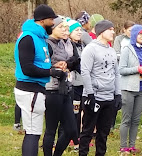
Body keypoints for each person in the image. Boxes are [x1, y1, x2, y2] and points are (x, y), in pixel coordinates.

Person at [13, 4, 64, 156]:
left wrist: (54, 66)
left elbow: (38, 62)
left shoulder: (40, 38)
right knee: (33, 133)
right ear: (43, 20)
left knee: (34, 132)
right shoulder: (28, 38)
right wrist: (52, 72)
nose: (53, 23)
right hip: (30, 90)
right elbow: (27, 68)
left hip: (37, 89)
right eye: (52, 20)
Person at [79, 20, 121, 156]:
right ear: (101, 32)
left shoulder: (111, 50)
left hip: (109, 97)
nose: (113, 32)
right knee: (87, 131)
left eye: (113, 29)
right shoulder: (90, 49)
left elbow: (116, 73)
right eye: (110, 29)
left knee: (103, 133)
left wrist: (118, 94)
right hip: (94, 96)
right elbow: (85, 72)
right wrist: (90, 94)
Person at [42, 16, 79, 156]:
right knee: (51, 129)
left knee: (70, 129)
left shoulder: (64, 43)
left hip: (66, 88)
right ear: (52, 28)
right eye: (61, 27)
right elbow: (41, 64)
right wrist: (54, 66)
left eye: (66, 27)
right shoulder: (46, 43)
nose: (65, 30)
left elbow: (74, 60)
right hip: (51, 89)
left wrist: (67, 64)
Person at [119, 24, 142, 154]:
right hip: (128, 88)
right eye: (140, 34)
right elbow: (121, 69)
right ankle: (123, 146)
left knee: (136, 119)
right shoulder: (127, 49)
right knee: (126, 118)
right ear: (134, 35)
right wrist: (137, 69)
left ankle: (132, 145)